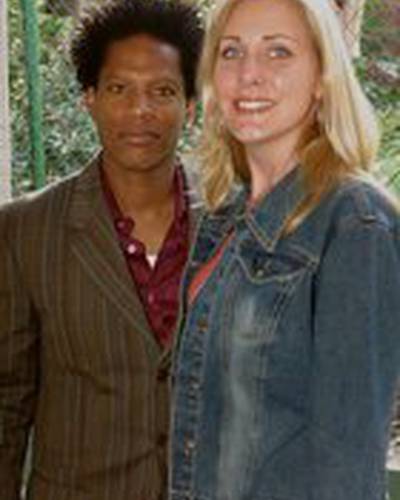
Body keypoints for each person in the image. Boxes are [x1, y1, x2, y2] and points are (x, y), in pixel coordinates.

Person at [169, 0, 400, 499]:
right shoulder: (226, 217)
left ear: (322, 78)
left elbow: (347, 466)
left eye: (278, 52)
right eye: (231, 52)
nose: (248, 74)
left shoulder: (355, 222)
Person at [0, 0, 203, 498]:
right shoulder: (25, 230)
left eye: (162, 91)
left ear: (191, 105)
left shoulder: (237, 225)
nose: (140, 110)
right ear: (89, 98)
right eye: (119, 89)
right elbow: (6, 403)